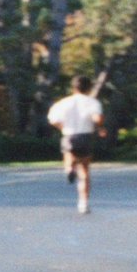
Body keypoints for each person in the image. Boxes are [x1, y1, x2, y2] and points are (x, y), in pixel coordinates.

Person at [47, 75, 106, 214]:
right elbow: (97, 118)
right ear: (89, 87)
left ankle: (69, 169)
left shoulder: (63, 103)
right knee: (84, 171)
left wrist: (62, 127)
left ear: (73, 87)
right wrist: (101, 127)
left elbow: (53, 120)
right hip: (85, 136)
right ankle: (83, 203)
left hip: (69, 134)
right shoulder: (92, 102)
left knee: (69, 155)